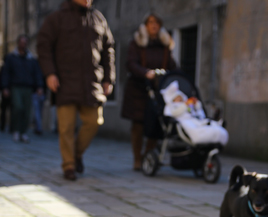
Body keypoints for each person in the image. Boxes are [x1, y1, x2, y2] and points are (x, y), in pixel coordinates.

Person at [37, 0, 115, 181]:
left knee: (95, 120)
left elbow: (108, 49)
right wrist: (50, 73)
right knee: (66, 128)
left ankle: (76, 154)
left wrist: (108, 79)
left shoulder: (99, 18)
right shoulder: (56, 18)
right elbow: (43, 46)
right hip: (65, 83)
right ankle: (69, 165)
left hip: (92, 83)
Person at [121, 13, 177, 170]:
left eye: (156, 23)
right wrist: (145, 72)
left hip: (157, 90)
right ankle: (137, 158)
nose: (153, 26)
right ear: (145, 25)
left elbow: (172, 65)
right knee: (138, 126)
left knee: (156, 125)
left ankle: (148, 155)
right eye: (150, 23)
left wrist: (177, 76)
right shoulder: (136, 44)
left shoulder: (164, 46)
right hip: (138, 90)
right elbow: (131, 63)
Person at [1, 35, 44, 143]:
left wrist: (39, 86)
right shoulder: (11, 58)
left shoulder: (31, 60)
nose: (24, 45)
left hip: (28, 87)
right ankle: (16, 130)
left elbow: (37, 74)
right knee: (18, 107)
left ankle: (23, 132)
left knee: (26, 110)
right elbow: (6, 74)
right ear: (18, 43)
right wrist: (5, 87)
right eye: (22, 42)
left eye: (25, 43)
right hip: (15, 87)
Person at [160, 80, 229, 146]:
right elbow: (174, 113)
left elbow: (196, 113)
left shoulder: (186, 104)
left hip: (194, 119)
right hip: (183, 121)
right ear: (173, 99)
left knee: (203, 122)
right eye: (177, 98)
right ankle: (206, 133)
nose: (180, 99)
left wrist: (196, 105)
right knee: (193, 128)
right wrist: (185, 105)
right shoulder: (172, 106)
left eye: (180, 97)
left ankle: (216, 125)